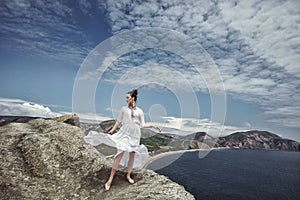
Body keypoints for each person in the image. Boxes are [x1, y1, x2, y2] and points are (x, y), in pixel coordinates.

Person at [83, 89, 161, 191]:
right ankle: (110, 179)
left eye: (127, 97)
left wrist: (153, 126)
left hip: (135, 135)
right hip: (124, 133)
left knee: (132, 155)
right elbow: (118, 122)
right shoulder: (124, 109)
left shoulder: (140, 111)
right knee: (119, 154)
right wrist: (111, 131)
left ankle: (128, 175)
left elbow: (142, 125)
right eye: (126, 97)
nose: (126, 99)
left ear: (133, 98)